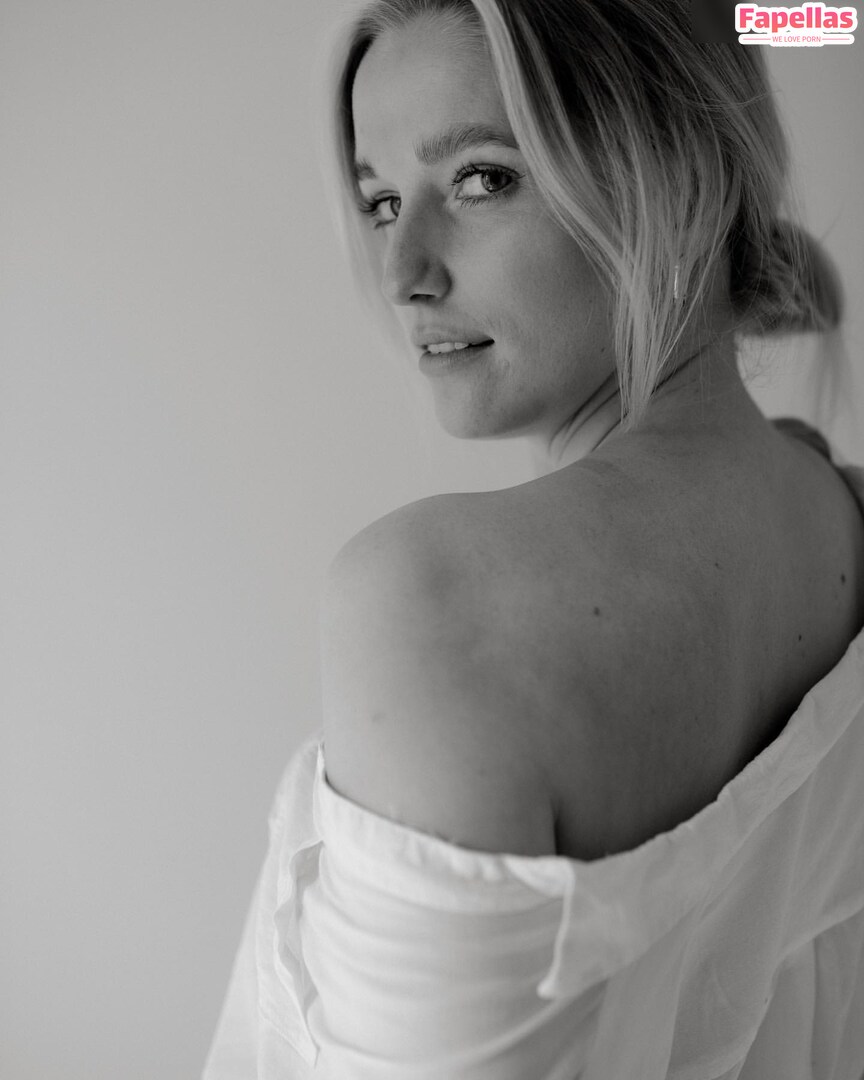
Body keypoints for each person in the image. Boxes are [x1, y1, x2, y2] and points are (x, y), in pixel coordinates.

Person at [203, 1, 864, 1076]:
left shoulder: (430, 601)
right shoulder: (841, 527)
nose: (402, 272)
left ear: (673, 171)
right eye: (381, 201)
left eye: (481, 179)